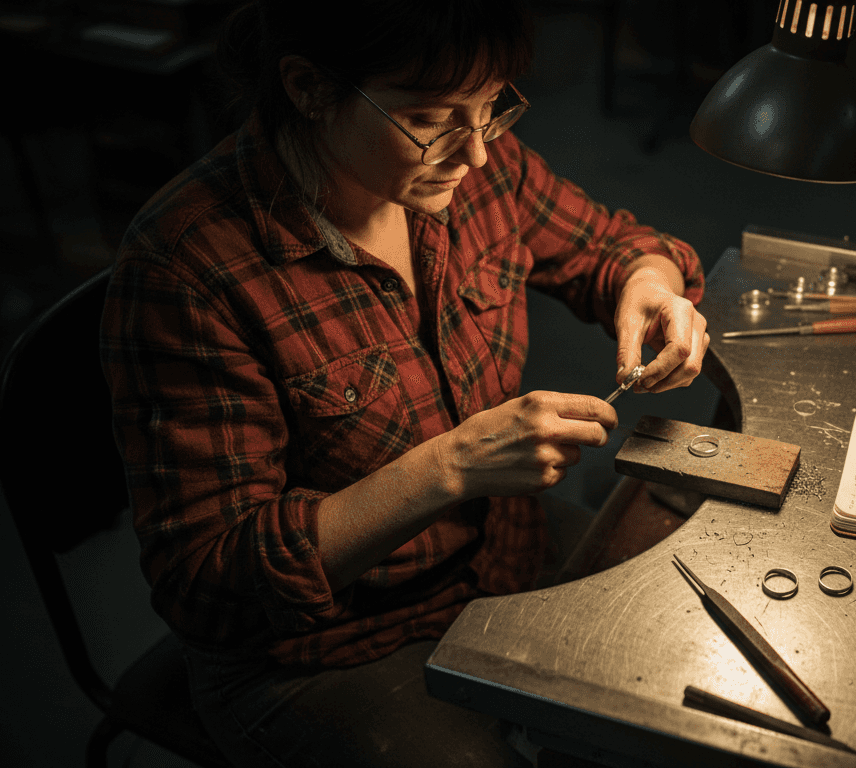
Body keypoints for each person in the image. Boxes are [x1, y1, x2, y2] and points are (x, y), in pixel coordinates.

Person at [99, 2, 709, 765]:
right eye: (429, 117)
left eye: (492, 106)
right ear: (308, 87)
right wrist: (449, 468)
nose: (476, 152)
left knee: (681, 672)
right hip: (326, 648)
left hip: (499, 551)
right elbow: (209, 584)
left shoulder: (476, 167)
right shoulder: (189, 270)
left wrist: (651, 285)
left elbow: (613, 245)